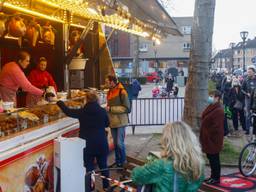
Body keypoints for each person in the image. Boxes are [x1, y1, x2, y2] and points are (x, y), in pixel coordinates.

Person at [57, 91, 110, 191]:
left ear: (87, 100)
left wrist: (59, 102)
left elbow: (68, 111)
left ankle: (89, 188)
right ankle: (106, 187)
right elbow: (107, 124)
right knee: (103, 166)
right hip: (101, 143)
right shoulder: (102, 111)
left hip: (87, 145)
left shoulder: (82, 112)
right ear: (97, 100)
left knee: (89, 169)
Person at [132, 122, 204, 192]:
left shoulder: (162, 165)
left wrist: (153, 161)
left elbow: (136, 176)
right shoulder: (198, 164)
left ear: (169, 142)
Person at [200, 90, 224, 184]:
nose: (209, 97)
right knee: (211, 158)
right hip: (208, 138)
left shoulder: (219, 110)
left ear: (217, 98)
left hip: (213, 139)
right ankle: (212, 176)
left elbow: (216, 127)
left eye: (211, 96)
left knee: (214, 159)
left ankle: (216, 178)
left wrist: (207, 133)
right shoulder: (212, 106)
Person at [105, 75, 130, 167]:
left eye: (107, 82)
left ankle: (124, 162)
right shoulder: (109, 92)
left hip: (121, 121)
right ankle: (118, 161)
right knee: (115, 143)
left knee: (119, 143)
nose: (106, 84)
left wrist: (111, 109)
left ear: (112, 82)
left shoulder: (122, 91)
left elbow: (127, 108)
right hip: (112, 122)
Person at [242, 65, 256, 134]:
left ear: (254, 72)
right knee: (248, 115)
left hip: (255, 100)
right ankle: (247, 129)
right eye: (248, 72)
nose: (248, 73)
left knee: (255, 114)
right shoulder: (245, 80)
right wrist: (246, 93)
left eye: (250, 72)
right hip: (248, 99)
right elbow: (242, 89)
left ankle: (254, 130)